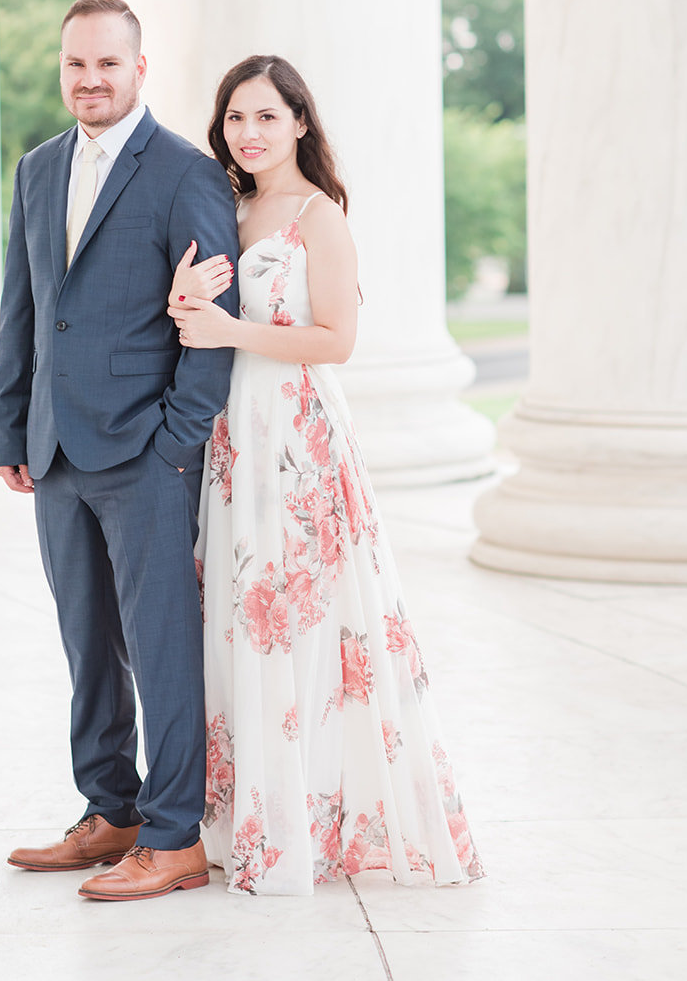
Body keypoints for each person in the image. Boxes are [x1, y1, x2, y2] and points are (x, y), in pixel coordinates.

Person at [169, 54, 484, 895]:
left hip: (297, 432)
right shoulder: (226, 205)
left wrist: (230, 332)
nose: (250, 132)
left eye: (268, 116)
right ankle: (251, 819)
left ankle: (311, 822)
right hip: (233, 433)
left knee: (301, 622)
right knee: (239, 616)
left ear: (301, 122)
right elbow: (195, 319)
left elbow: (336, 339)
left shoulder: (318, 215)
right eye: (237, 118)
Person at [0, 0, 240, 902]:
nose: (89, 79)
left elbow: (216, 324)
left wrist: (178, 442)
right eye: (75, 64)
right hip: (54, 453)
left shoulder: (184, 173)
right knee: (86, 644)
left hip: (146, 453)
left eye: (107, 63)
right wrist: (9, 427)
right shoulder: (38, 168)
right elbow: (23, 307)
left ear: (140, 69)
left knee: (161, 646)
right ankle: (112, 810)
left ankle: (175, 838)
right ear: (62, 69)